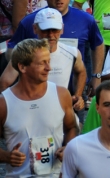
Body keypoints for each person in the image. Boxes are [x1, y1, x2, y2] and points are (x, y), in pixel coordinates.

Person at [0, 38, 78, 177]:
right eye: (42, 63)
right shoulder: (3, 103)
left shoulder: (62, 95)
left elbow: (71, 127)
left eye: (48, 61)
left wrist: (68, 147)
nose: (49, 67)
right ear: (22, 67)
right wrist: (6, 156)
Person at [0, 7, 86, 111]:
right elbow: (4, 83)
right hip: (30, 112)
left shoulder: (72, 53)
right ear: (35, 28)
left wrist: (78, 96)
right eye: (45, 30)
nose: (51, 35)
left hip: (59, 113)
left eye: (55, 30)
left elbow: (81, 71)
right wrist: (12, 110)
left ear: (62, 29)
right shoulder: (23, 53)